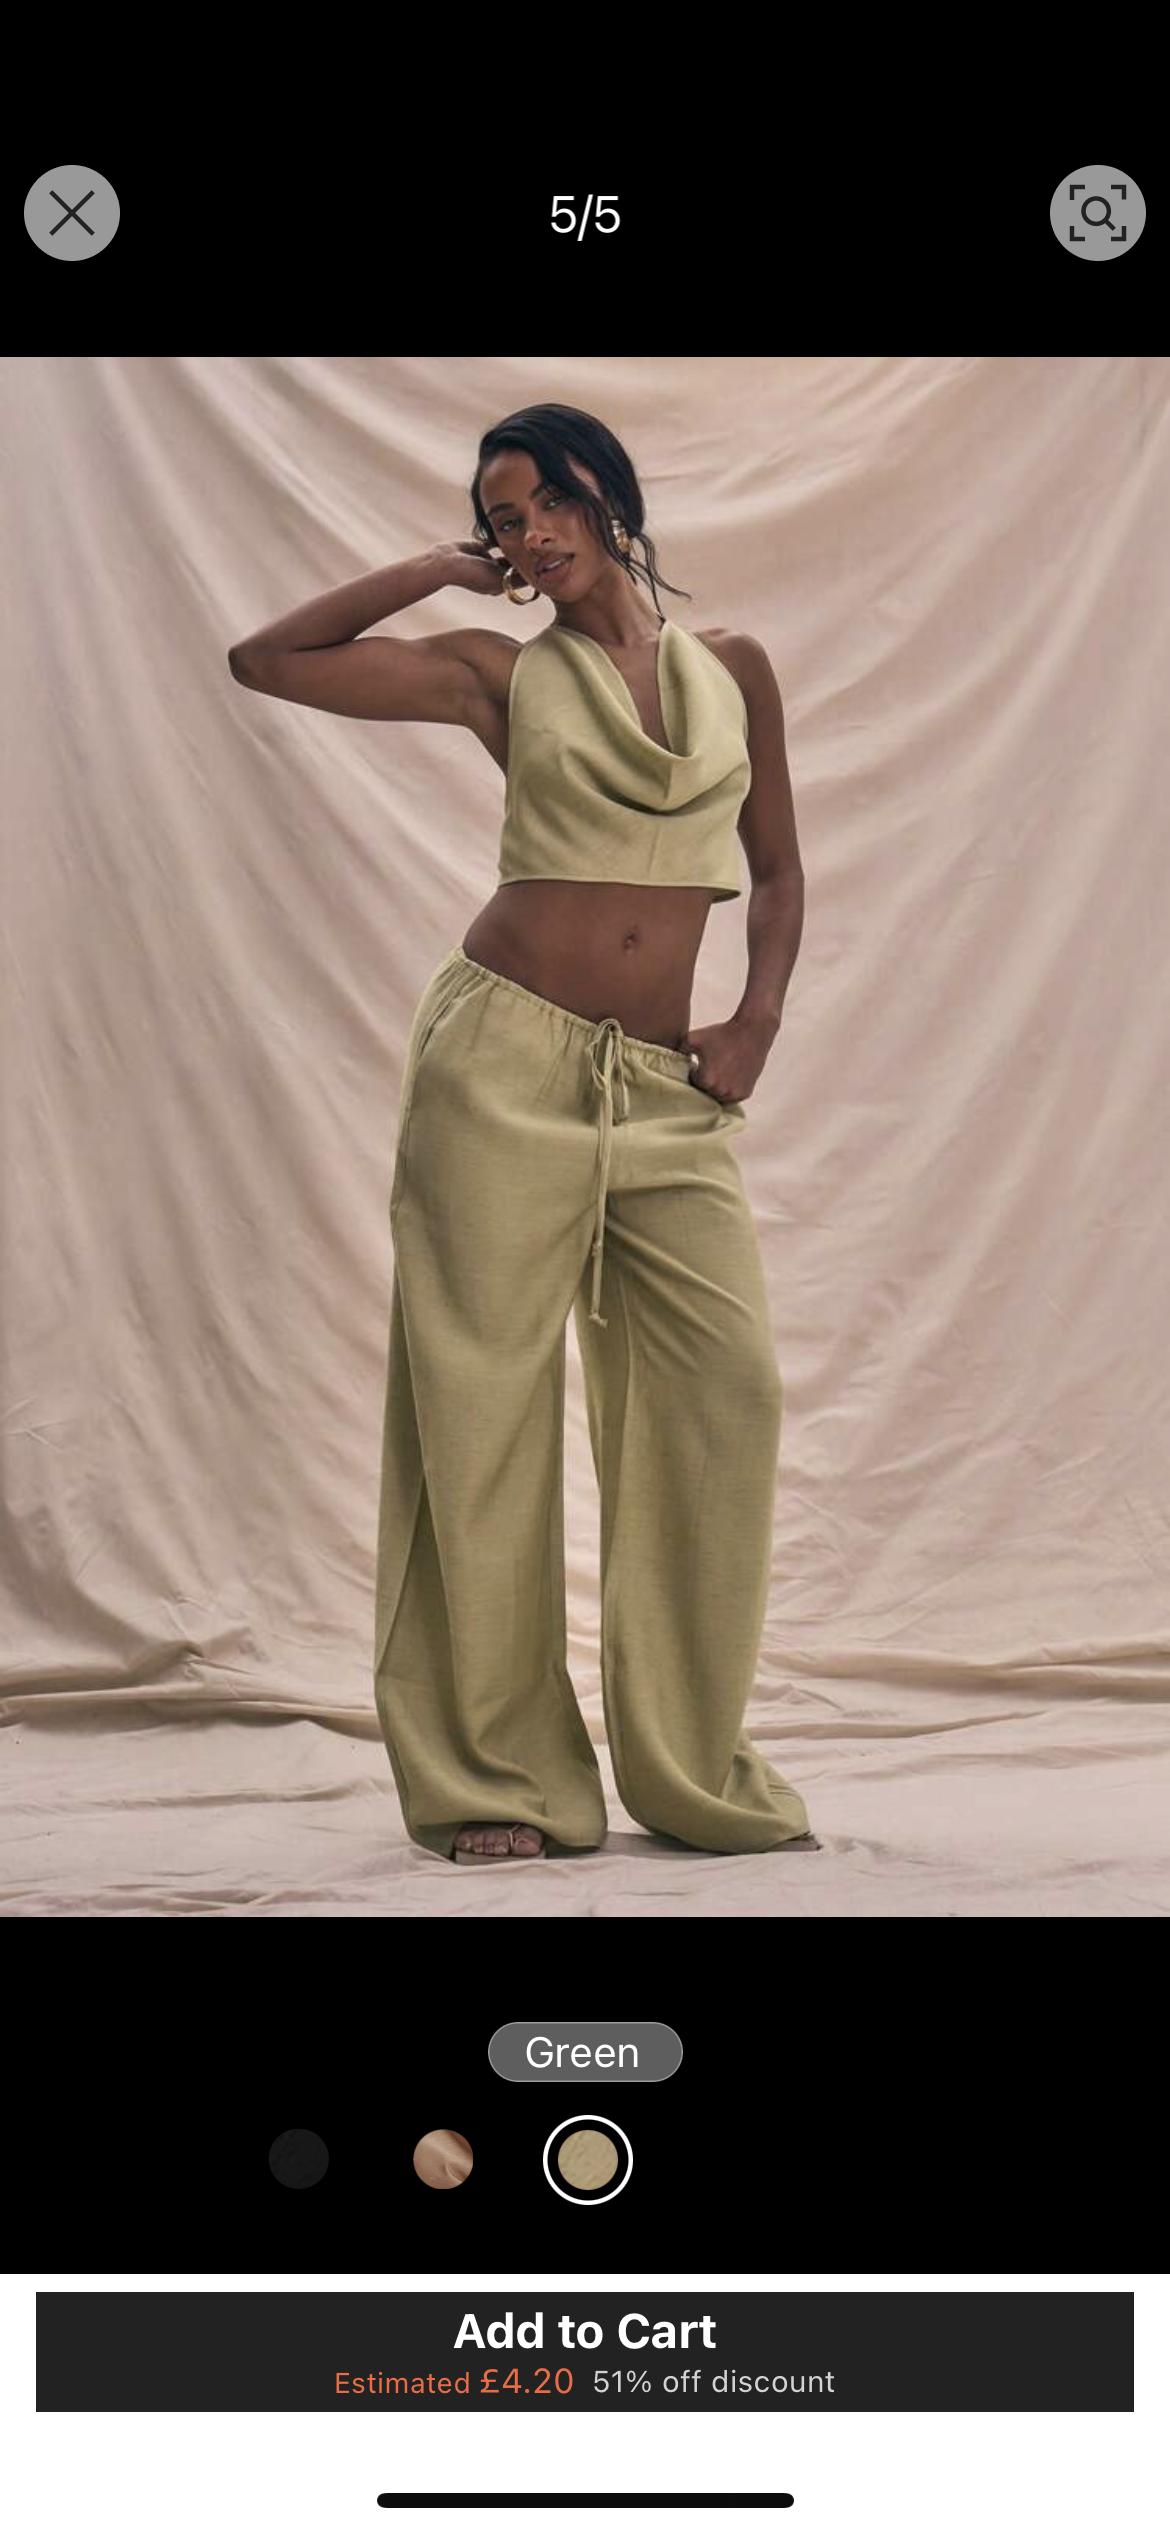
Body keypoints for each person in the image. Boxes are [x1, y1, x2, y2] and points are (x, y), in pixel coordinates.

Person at [229, 400, 817, 1869]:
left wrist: (755, 1020)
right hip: (499, 1065)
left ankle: (688, 1767)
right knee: (478, 1415)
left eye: (549, 501)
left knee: (724, 1396)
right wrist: (437, 571)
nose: (531, 535)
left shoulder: (734, 668)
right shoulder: (496, 675)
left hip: (665, 1088)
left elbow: (777, 869)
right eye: (503, 518)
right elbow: (266, 661)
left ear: (607, 493)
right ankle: (497, 1777)